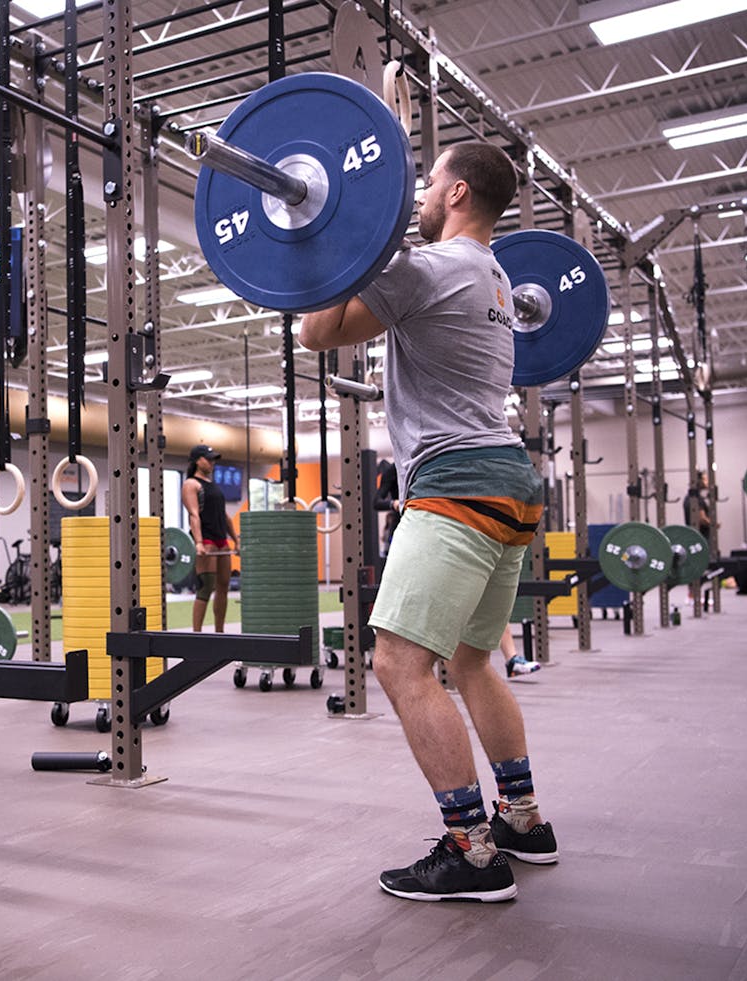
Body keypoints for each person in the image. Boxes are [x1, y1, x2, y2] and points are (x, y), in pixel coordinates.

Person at [299, 140, 551, 904]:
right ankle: (523, 820)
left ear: (461, 192)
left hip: (457, 485)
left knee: (398, 664)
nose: (422, 191)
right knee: (472, 661)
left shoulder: (432, 268)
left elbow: (317, 331)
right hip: (510, 481)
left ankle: (472, 853)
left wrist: (333, 233)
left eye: (432, 179)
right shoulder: (496, 275)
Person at [182, 444, 239, 632]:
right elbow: (193, 514)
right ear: (197, 461)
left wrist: (236, 540)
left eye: (213, 459)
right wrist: (198, 542)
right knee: (206, 588)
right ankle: (196, 635)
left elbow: (224, 515)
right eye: (208, 459)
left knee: (223, 588)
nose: (212, 462)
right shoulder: (191, 484)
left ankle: (220, 632)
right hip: (206, 540)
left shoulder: (213, 486)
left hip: (222, 541)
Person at [683, 470, 712, 606]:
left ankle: (693, 595)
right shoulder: (696, 500)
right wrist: (713, 523)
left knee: (696, 566)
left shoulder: (690, 498)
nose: (707, 482)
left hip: (695, 537)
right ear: (698, 481)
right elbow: (701, 519)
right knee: (697, 566)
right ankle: (693, 596)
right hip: (699, 537)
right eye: (705, 480)